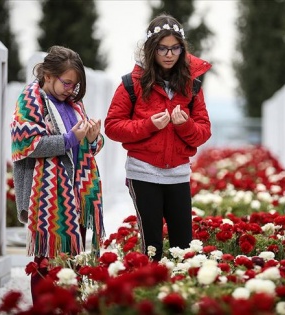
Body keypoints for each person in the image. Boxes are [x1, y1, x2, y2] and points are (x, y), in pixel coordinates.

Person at [104, 14, 212, 261]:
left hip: (178, 174)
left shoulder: (192, 86)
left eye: (175, 48)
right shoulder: (131, 84)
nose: (169, 54)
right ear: (151, 48)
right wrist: (148, 125)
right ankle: (150, 295)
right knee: (152, 246)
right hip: (143, 173)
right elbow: (112, 126)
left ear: (182, 49)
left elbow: (203, 132)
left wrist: (185, 126)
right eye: (162, 48)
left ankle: (179, 295)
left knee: (183, 246)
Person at [10, 45, 104, 302]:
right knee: (47, 262)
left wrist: (93, 139)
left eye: (74, 85)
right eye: (67, 83)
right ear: (48, 75)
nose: (71, 89)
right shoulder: (30, 99)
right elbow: (26, 144)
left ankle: (68, 306)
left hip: (76, 191)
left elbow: (86, 146)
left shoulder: (73, 102)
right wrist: (69, 138)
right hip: (47, 198)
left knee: (72, 260)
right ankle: (45, 307)